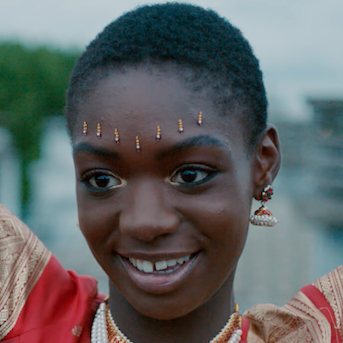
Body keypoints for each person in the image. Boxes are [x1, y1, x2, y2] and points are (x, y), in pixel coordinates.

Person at [0, 3, 342, 343]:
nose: (144, 223)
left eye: (190, 175)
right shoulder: (20, 319)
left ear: (263, 164)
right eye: (101, 180)